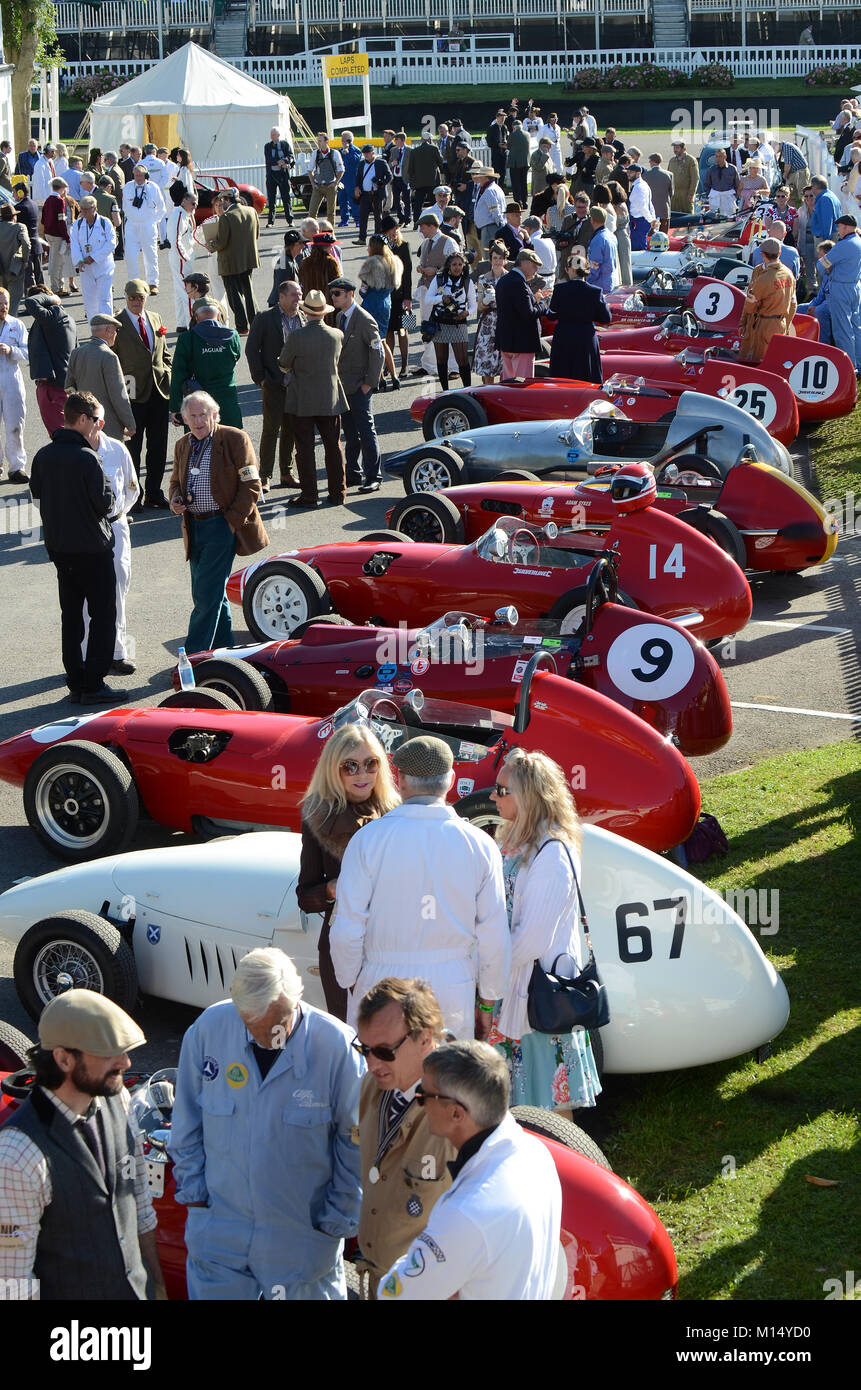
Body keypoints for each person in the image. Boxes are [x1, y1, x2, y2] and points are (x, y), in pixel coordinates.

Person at [169, 947, 363, 1300]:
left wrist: (334, 1225)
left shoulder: (338, 1048)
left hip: (302, 1248)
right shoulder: (208, 1031)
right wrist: (197, 1203)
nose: (265, 1038)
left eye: (276, 1025)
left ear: (295, 999)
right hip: (220, 1243)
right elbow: (186, 1125)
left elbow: (355, 1147)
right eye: (251, 1027)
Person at [330, 734, 511, 1038]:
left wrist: (351, 979)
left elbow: (347, 925)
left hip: (381, 980)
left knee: (382, 1078)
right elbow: (493, 932)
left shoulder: (368, 840)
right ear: (451, 780)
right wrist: (488, 1000)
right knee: (442, 1079)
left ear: (399, 780)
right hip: (452, 985)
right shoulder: (479, 843)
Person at [0, 990, 166, 1300]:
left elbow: (140, 1210)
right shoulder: (17, 1155)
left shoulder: (121, 1101)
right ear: (64, 1058)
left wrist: (157, 1288)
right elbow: (13, 1283)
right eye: (108, 1052)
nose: (126, 1062)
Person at [377, 1040, 562, 1301]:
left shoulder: (466, 1213)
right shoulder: (536, 1154)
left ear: (456, 1113)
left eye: (423, 1095)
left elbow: (394, 1295)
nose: (419, 1103)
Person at [487, 748, 601, 1113]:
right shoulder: (517, 840)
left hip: (535, 995)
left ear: (528, 797)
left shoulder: (551, 852)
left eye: (502, 790)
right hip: (515, 989)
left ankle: (563, 1169)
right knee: (521, 1102)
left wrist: (487, 968)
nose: (493, 796)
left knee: (550, 1107)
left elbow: (533, 938)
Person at [353, 978, 456, 1299]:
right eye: (364, 1049)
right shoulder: (373, 1087)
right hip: (380, 1280)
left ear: (425, 1038)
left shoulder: (459, 1112)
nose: (371, 1063)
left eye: (384, 1051)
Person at [298, 725, 400, 1018]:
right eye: (350, 766)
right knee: (351, 1035)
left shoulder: (396, 811)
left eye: (371, 764)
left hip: (394, 942)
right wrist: (334, 888)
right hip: (343, 947)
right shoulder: (317, 816)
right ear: (333, 769)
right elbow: (305, 896)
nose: (362, 774)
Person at [29, 390, 121, 702]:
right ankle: (93, 683)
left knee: (71, 615)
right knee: (102, 615)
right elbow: (105, 504)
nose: (101, 426)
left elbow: (38, 494)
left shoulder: (43, 455)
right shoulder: (88, 458)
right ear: (82, 420)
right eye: (97, 420)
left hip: (60, 550)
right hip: (92, 551)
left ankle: (76, 679)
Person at [167, 389, 268, 652]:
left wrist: (231, 522)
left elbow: (252, 484)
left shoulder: (235, 438)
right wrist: (175, 500)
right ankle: (226, 651)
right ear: (184, 419)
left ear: (215, 414)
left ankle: (192, 657)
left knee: (205, 595)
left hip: (221, 525)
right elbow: (176, 482)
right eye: (193, 416)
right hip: (193, 526)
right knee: (212, 593)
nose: (199, 421)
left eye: (203, 415)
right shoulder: (182, 445)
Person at [279, 286, 347, 508]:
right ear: (324, 312)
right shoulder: (337, 335)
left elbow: (284, 363)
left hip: (303, 400)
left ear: (306, 312)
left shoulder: (297, 336)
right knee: (333, 446)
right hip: (330, 397)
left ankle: (310, 495)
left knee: (305, 448)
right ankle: (338, 492)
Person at [112, 279, 172, 510]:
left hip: (158, 391)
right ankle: (134, 496)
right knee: (133, 449)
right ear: (126, 298)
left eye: (141, 297)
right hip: (132, 395)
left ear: (147, 297)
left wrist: (168, 372)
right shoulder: (117, 323)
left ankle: (155, 493)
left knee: (158, 446)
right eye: (132, 298)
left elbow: (164, 352)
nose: (137, 302)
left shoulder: (155, 318)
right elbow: (112, 360)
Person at [245, 278, 304, 492]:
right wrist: (260, 378)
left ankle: (286, 473)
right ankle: (265, 476)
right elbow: (252, 349)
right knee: (271, 429)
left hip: (297, 386)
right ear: (281, 297)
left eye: (299, 294)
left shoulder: (302, 318)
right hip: (273, 383)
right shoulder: (265, 318)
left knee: (291, 429)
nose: (299, 298)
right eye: (294, 294)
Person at [89, 422, 139, 675]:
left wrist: (117, 515)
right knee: (87, 591)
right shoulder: (72, 452)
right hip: (85, 530)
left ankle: (118, 653)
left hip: (115, 525)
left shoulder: (117, 449)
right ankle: (90, 654)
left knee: (118, 586)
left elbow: (132, 488)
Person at [327, 273, 384, 492]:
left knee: (366, 431)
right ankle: (353, 473)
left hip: (360, 386)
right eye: (332, 293)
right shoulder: (341, 316)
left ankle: (373, 476)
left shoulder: (364, 319)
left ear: (350, 295)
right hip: (344, 386)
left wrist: (369, 383)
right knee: (350, 433)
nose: (333, 297)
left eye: (338, 294)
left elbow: (377, 353)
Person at [170, 296, 243, 429]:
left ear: (196, 317)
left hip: (197, 405)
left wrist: (175, 406)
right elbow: (236, 357)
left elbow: (178, 374)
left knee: (199, 445)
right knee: (230, 443)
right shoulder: (233, 335)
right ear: (219, 315)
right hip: (227, 403)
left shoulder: (187, 338)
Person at [66, 313, 136, 442]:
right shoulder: (109, 356)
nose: (116, 334)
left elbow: (69, 388)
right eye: (115, 330)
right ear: (108, 330)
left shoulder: (76, 353)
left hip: (82, 424)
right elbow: (118, 394)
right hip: (108, 425)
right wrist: (130, 423)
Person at [22, 285, 77, 435]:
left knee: (62, 437)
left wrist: (53, 298)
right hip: (65, 386)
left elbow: (31, 302)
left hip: (53, 390)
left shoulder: (52, 316)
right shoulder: (67, 318)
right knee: (71, 435)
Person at [548, 252, 611, 382]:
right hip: (585, 338)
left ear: (569, 269)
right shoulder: (595, 291)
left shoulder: (560, 289)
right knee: (586, 378)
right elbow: (606, 318)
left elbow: (552, 315)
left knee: (562, 378)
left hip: (563, 337)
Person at [209, 186, 259, 336]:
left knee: (234, 295)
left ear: (227, 200)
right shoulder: (251, 211)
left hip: (230, 262)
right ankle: (254, 322)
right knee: (249, 292)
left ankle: (242, 326)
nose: (221, 203)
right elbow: (256, 235)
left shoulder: (226, 216)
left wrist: (210, 246)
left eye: (222, 200)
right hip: (248, 258)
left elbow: (222, 242)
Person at [425, 248, 477, 392]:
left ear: (464, 266)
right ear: (449, 266)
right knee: (441, 360)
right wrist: (441, 298)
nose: (457, 267)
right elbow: (428, 299)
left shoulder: (467, 282)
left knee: (463, 360)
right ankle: (445, 392)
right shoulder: (439, 279)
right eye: (454, 264)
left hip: (459, 323)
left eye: (460, 264)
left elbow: (474, 304)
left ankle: (467, 391)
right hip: (440, 323)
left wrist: (466, 313)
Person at [413, 210, 457, 378]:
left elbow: (457, 267)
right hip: (426, 290)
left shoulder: (449, 242)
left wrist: (437, 270)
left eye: (422, 227)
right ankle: (429, 365)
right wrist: (422, 268)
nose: (420, 231)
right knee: (427, 327)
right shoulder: (425, 243)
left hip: (443, 292)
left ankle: (453, 368)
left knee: (447, 327)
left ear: (432, 226)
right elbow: (425, 262)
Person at [494, 247, 550, 380]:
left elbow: (514, 308)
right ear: (525, 263)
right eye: (534, 265)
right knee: (522, 385)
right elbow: (528, 313)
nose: (536, 270)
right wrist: (543, 305)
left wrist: (535, 300)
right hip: (522, 343)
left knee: (508, 383)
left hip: (506, 341)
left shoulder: (504, 280)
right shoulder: (518, 283)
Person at [739, 239, 796, 362]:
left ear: (763, 254)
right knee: (774, 362)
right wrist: (785, 327)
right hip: (779, 325)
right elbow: (793, 305)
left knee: (754, 363)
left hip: (761, 327)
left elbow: (750, 305)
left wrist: (743, 323)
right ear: (779, 253)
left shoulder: (763, 278)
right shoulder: (789, 274)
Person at [357, 234, 402, 388]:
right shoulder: (393, 262)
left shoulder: (370, 264)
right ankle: (394, 376)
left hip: (371, 305)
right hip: (386, 304)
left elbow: (363, 291)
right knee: (382, 341)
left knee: (372, 343)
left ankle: (380, 378)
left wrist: (363, 291)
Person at [819, 214, 861, 370]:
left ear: (845, 226)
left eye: (839, 226)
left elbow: (822, 264)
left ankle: (849, 367)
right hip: (855, 286)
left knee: (842, 329)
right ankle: (858, 363)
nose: (838, 230)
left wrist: (828, 268)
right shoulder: (858, 241)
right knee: (855, 327)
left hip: (841, 287)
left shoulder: (845, 244)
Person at [69, 194, 116, 321]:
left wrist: (93, 257)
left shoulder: (105, 222)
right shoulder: (78, 225)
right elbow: (74, 244)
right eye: (82, 209)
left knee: (104, 299)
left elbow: (111, 243)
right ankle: (94, 330)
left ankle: (107, 328)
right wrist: (79, 260)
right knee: (90, 301)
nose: (83, 212)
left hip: (103, 267)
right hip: (86, 268)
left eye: (86, 209)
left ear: (94, 208)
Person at [0, 287, 29, 483]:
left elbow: (28, 352)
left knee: (15, 425)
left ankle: (17, 467)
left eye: (5, 303)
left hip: (11, 379)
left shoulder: (17, 325)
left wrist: (11, 350)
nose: (2, 307)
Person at [122, 164, 165, 293]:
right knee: (130, 255)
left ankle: (152, 283)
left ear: (145, 175)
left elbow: (161, 208)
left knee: (150, 254)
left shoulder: (153, 187)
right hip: (132, 225)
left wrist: (153, 221)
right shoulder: (128, 187)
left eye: (140, 175)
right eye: (136, 175)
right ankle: (134, 283)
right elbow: (125, 206)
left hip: (148, 225)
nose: (138, 178)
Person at [382, 214, 412, 382]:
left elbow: (407, 274)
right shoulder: (381, 247)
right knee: (388, 332)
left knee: (403, 330)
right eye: (391, 230)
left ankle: (405, 364)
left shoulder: (404, 245)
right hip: (386, 296)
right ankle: (389, 363)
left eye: (396, 229)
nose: (395, 232)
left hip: (402, 296)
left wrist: (408, 297)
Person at [473, 240, 508, 383]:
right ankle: (488, 393)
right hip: (488, 323)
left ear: (505, 260)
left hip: (506, 321)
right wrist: (486, 301)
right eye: (495, 258)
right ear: (490, 259)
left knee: (505, 362)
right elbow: (479, 306)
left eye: (500, 258)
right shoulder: (483, 278)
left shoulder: (510, 277)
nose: (498, 261)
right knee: (486, 362)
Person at [166, 188, 198, 330]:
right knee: (187, 291)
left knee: (179, 291)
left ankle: (181, 323)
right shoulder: (178, 215)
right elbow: (175, 240)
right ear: (184, 201)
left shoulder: (187, 214)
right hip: (180, 258)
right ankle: (192, 324)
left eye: (196, 204)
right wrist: (184, 258)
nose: (195, 206)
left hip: (185, 256)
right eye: (193, 203)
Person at [40, 177, 73, 297]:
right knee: (57, 262)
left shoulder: (48, 200)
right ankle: (56, 287)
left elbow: (43, 219)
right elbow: (61, 221)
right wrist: (67, 237)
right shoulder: (59, 201)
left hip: (48, 233)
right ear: (62, 188)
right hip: (57, 234)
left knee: (55, 260)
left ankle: (59, 285)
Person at [354, 143, 391, 246]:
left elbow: (389, 176)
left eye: (367, 153)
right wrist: (357, 187)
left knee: (378, 217)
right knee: (363, 216)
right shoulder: (361, 164)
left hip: (377, 193)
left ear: (373, 153)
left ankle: (377, 238)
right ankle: (362, 238)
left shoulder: (381, 163)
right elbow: (358, 177)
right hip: (365, 194)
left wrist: (381, 183)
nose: (366, 155)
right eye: (364, 154)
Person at [797, 240, 834, 343]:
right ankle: (800, 338)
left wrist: (816, 307)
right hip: (823, 302)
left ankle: (823, 343)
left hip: (832, 304)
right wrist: (812, 305)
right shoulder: (826, 274)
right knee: (799, 309)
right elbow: (821, 295)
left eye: (821, 256)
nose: (818, 258)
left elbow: (832, 297)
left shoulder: (837, 274)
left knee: (820, 311)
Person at [408, 133, 445, 226]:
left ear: (421, 139)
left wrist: (413, 180)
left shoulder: (414, 151)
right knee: (434, 202)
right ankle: (437, 221)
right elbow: (440, 162)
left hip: (419, 182)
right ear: (430, 139)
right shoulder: (434, 149)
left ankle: (417, 223)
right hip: (433, 181)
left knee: (418, 203)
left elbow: (410, 169)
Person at [0, 205, 31, 316]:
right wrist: (25, 259)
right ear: (14, 217)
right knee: (13, 302)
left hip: (0, 269)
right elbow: (26, 243)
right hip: (15, 268)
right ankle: (10, 327)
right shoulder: (20, 227)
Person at [308, 132, 345, 223]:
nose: (318, 143)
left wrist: (336, 183)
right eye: (318, 141)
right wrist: (313, 184)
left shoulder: (335, 153)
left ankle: (330, 233)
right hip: (318, 185)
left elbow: (341, 169)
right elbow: (310, 170)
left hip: (330, 185)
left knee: (330, 213)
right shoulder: (315, 153)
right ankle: (313, 233)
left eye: (320, 141)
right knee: (312, 212)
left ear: (326, 141)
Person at [299, 230, 341, 304]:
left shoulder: (305, 262)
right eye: (330, 245)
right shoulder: (331, 262)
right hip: (327, 303)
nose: (332, 247)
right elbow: (337, 283)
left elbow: (301, 282)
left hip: (309, 302)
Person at [263, 126, 294, 226]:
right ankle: (270, 222)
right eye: (271, 134)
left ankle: (290, 220)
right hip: (271, 175)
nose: (271, 136)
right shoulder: (267, 146)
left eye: (273, 134)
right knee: (271, 199)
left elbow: (291, 156)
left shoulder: (285, 144)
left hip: (283, 175)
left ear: (278, 135)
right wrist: (279, 161)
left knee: (286, 198)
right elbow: (268, 160)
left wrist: (285, 161)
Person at [472, 166, 507, 251]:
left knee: (488, 255)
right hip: (492, 226)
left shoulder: (489, 191)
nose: (479, 179)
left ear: (485, 178)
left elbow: (495, 210)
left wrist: (501, 226)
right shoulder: (495, 188)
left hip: (490, 228)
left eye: (480, 176)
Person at [585, 206, 619, 292]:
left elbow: (595, 267)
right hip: (612, 281)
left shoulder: (598, 239)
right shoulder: (612, 236)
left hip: (600, 285)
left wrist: (586, 280)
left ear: (592, 220)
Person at [627, 165, 657, 250]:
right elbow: (649, 204)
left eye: (631, 172)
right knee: (639, 245)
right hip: (640, 221)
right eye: (627, 172)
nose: (628, 174)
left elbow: (643, 206)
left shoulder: (639, 187)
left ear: (638, 173)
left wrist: (651, 220)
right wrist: (652, 219)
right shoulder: (643, 185)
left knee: (638, 248)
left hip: (639, 221)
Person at [809, 175, 841, 254]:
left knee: (824, 264)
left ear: (814, 187)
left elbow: (827, 222)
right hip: (830, 236)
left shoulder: (824, 199)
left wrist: (826, 244)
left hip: (824, 238)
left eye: (811, 186)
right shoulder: (831, 195)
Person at [703, 149, 739, 218]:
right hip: (715, 198)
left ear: (725, 156)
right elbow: (707, 184)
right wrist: (710, 195)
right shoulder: (711, 169)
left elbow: (737, 184)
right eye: (716, 156)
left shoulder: (732, 169)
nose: (718, 158)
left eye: (720, 156)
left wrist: (735, 197)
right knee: (714, 219)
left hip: (728, 198)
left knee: (730, 218)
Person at [608, 181, 632, 286]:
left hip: (619, 236)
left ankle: (626, 286)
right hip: (624, 235)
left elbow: (614, 225)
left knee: (623, 264)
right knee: (626, 263)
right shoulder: (622, 204)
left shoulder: (617, 208)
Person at [642, 154, 673, 233]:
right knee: (664, 233)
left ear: (652, 162)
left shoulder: (645, 175)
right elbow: (671, 192)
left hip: (651, 209)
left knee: (650, 233)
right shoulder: (669, 174)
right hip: (664, 208)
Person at [386, 133, 411, 227]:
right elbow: (388, 165)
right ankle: (401, 217)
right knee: (396, 200)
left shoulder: (410, 150)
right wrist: (393, 163)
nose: (395, 141)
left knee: (407, 200)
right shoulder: (393, 150)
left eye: (396, 140)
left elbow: (413, 166)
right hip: (396, 178)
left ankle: (408, 220)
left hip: (405, 178)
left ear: (402, 140)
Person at [668, 140, 698, 214]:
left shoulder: (691, 160)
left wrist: (691, 193)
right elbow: (668, 176)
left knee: (688, 215)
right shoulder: (672, 161)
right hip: (674, 194)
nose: (675, 150)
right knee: (674, 215)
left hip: (686, 193)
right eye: (674, 148)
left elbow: (695, 178)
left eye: (677, 148)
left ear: (683, 148)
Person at [507, 118, 530, 206]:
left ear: (514, 127)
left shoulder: (512, 135)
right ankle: (525, 201)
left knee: (516, 183)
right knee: (523, 182)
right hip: (525, 162)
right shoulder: (527, 134)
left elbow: (508, 146)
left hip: (515, 163)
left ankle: (518, 201)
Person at [530, 137, 555, 204]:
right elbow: (538, 167)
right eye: (549, 146)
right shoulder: (535, 155)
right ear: (542, 145)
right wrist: (544, 155)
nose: (550, 148)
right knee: (538, 206)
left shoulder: (547, 154)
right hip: (539, 187)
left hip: (547, 186)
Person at [487, 110, 509, 185]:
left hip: (503, 153)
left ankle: (501, 187)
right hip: (496, 153)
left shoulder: (505, 127)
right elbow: (489, 142)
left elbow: (507, 138)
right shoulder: (492, 128)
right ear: (497, 118)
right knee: (495, 172)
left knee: (503, 172)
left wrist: (506, 144)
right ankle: (495, 186)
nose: (503, 120)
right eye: (502, 118)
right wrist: (498, 145)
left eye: (504, 118)